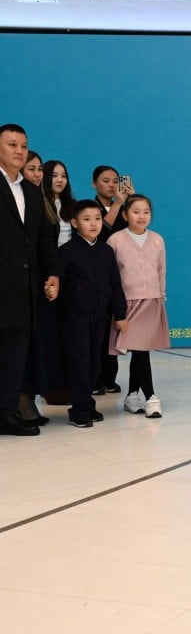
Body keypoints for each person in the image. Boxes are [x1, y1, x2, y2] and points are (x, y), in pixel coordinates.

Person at [0, 124, 60, 437]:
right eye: (12, 145)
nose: (19, 151)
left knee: (15, 356)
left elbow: (42, 241)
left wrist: (52, 272)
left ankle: (7, 414)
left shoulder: (32, 192)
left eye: (23, 145)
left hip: (23, 292)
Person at [59, 199, 127, 428]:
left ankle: (87, 403)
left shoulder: (106, 251)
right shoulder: (66, 252)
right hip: (75, 318)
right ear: (75, 223)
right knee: (78, 362)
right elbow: (61, 287)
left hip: (100, 318)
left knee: (94, 363)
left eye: (98, 218)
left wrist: (120, 314)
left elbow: (115, 285)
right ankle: (79, 409)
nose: (94, 223)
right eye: (87, 219)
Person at [107, 194, 169, 418]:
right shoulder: (115, 240)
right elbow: (112, 277)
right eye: (136, 212)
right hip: (127, 304)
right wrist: (116, 308)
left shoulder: (157, 240)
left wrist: (160, 296)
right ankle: (149, 397)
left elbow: (161, 270)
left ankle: (136, 395)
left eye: (146, 212)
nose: (141, 216)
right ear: (125, 215)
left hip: (151, 302)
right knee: (139, 352)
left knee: (141, 352)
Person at [17, 151, 62, 426]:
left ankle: (27, 399)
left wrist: (52, 276)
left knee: (37, 347)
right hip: (17, 286)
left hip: (40, 288)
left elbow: (48, 247)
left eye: (38, 169)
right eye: (30, 169)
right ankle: (18, 402)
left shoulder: (42, 203)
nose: (36, 174)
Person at [91, 165, 134, 395]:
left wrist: (130, 201)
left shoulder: (125, 206)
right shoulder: (90, 208)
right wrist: (117, 204)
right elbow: (100, 232)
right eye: (105, 180)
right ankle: (95, 379)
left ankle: (109, 378)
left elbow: (135, 229)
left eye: (115, 181)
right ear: (94, 184)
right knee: (97, 329)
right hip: (97, 273)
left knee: (115, 329)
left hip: (122, 274)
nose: (111, 185)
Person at [43, 160, 76, 247]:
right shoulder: (40, 203)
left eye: (64, 176)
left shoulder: (72, 204)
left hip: (70, 256)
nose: (60, 180)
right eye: (54, 176)